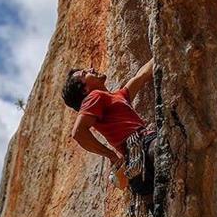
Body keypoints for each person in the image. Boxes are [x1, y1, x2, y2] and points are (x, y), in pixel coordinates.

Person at [61, 58, 156, 198]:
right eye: (84, 73)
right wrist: (111, 155)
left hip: (138, 167)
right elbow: (78, 132)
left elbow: (141, 76)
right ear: (85, 89)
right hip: (144, 148)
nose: (91, 69)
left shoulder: (117, 97)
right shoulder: (94, 96)